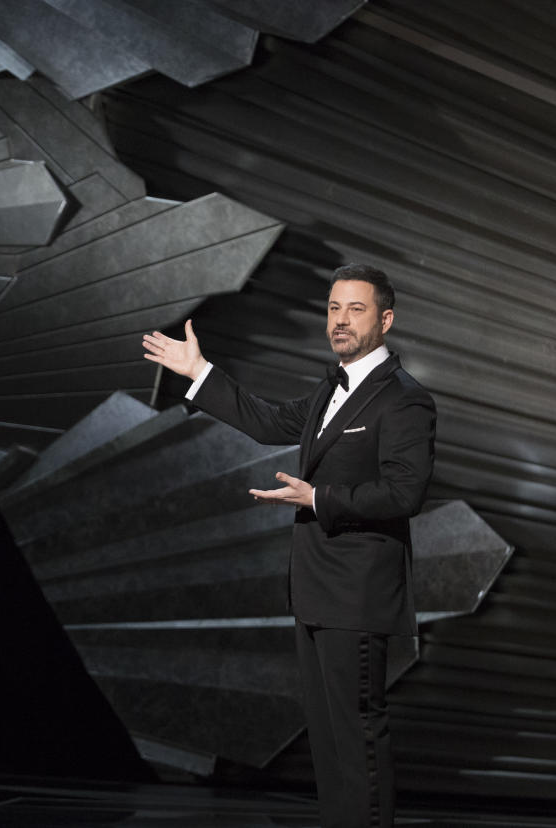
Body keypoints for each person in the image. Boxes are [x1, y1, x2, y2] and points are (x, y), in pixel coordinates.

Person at [143, 264, 435, 828]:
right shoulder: (331, 386)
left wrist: (321, 497)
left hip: (358, 592)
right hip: (316, 589)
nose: (341, 321)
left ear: (386, 319)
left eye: (356, 309)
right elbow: (270, 420)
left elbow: (405, 491)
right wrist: (199, 372)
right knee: (328, 741)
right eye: (333, 309)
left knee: (357, 736)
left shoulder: (404, 400)